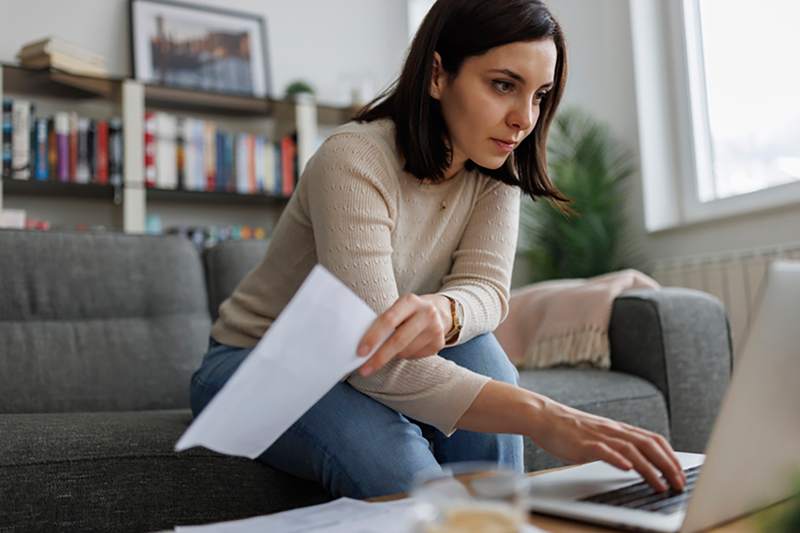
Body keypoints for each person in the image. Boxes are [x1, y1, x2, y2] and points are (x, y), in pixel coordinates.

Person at [190, 0, 686, 499]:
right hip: (259, 362)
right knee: (396, 461)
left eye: (540, 96)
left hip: (361, 353)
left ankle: (497, 512)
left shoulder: (495, 170)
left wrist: (446, 312)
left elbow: (489, 292)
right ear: (436, 75)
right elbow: (377, 360)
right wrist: (545, 417)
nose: (523, 119)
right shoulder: (354, 159)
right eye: (503, 85)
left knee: (483, 353)